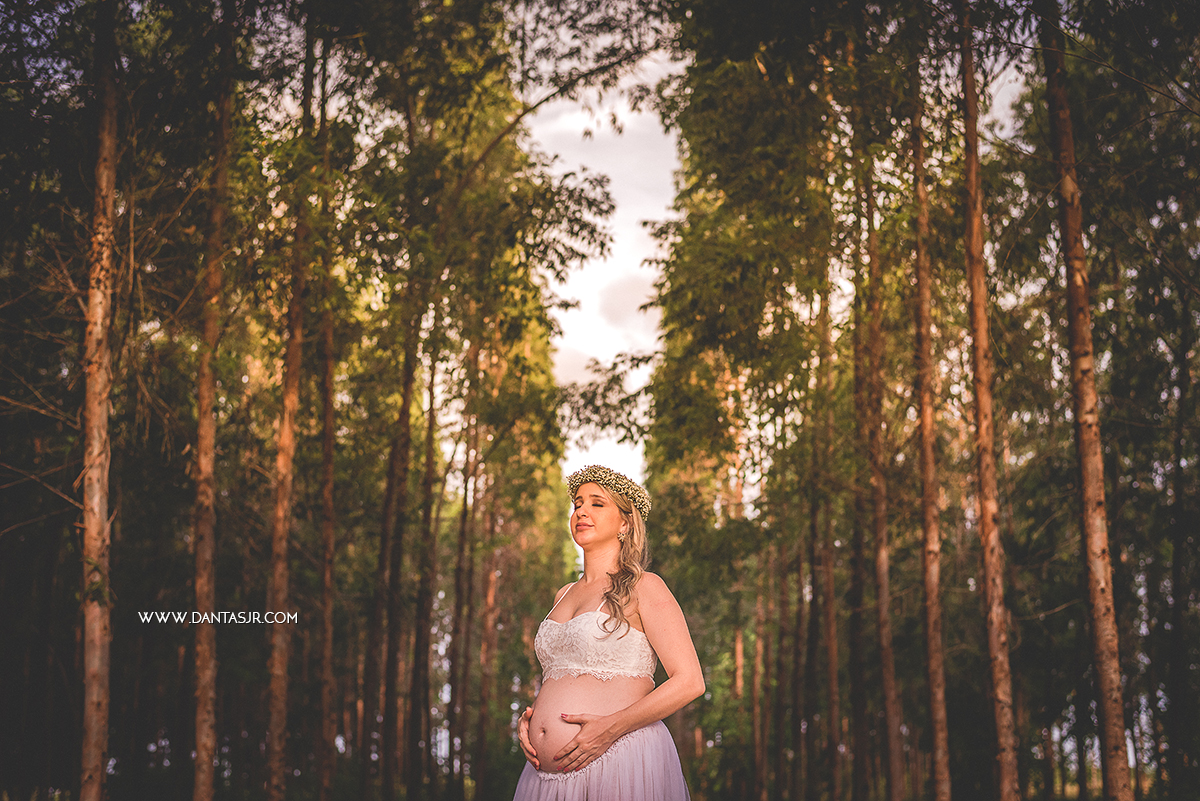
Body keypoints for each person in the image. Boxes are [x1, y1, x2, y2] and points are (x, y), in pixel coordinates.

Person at [512, 465, 704, 800]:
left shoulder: (645, 587)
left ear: (626, 522)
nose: (581, 511)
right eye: (577, 504)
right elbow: (563, 680)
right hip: (543, 776)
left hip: (617, 760)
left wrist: (609, 729)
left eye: (597, 504)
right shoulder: (563, 594)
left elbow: (689, 681)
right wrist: (532, 722)